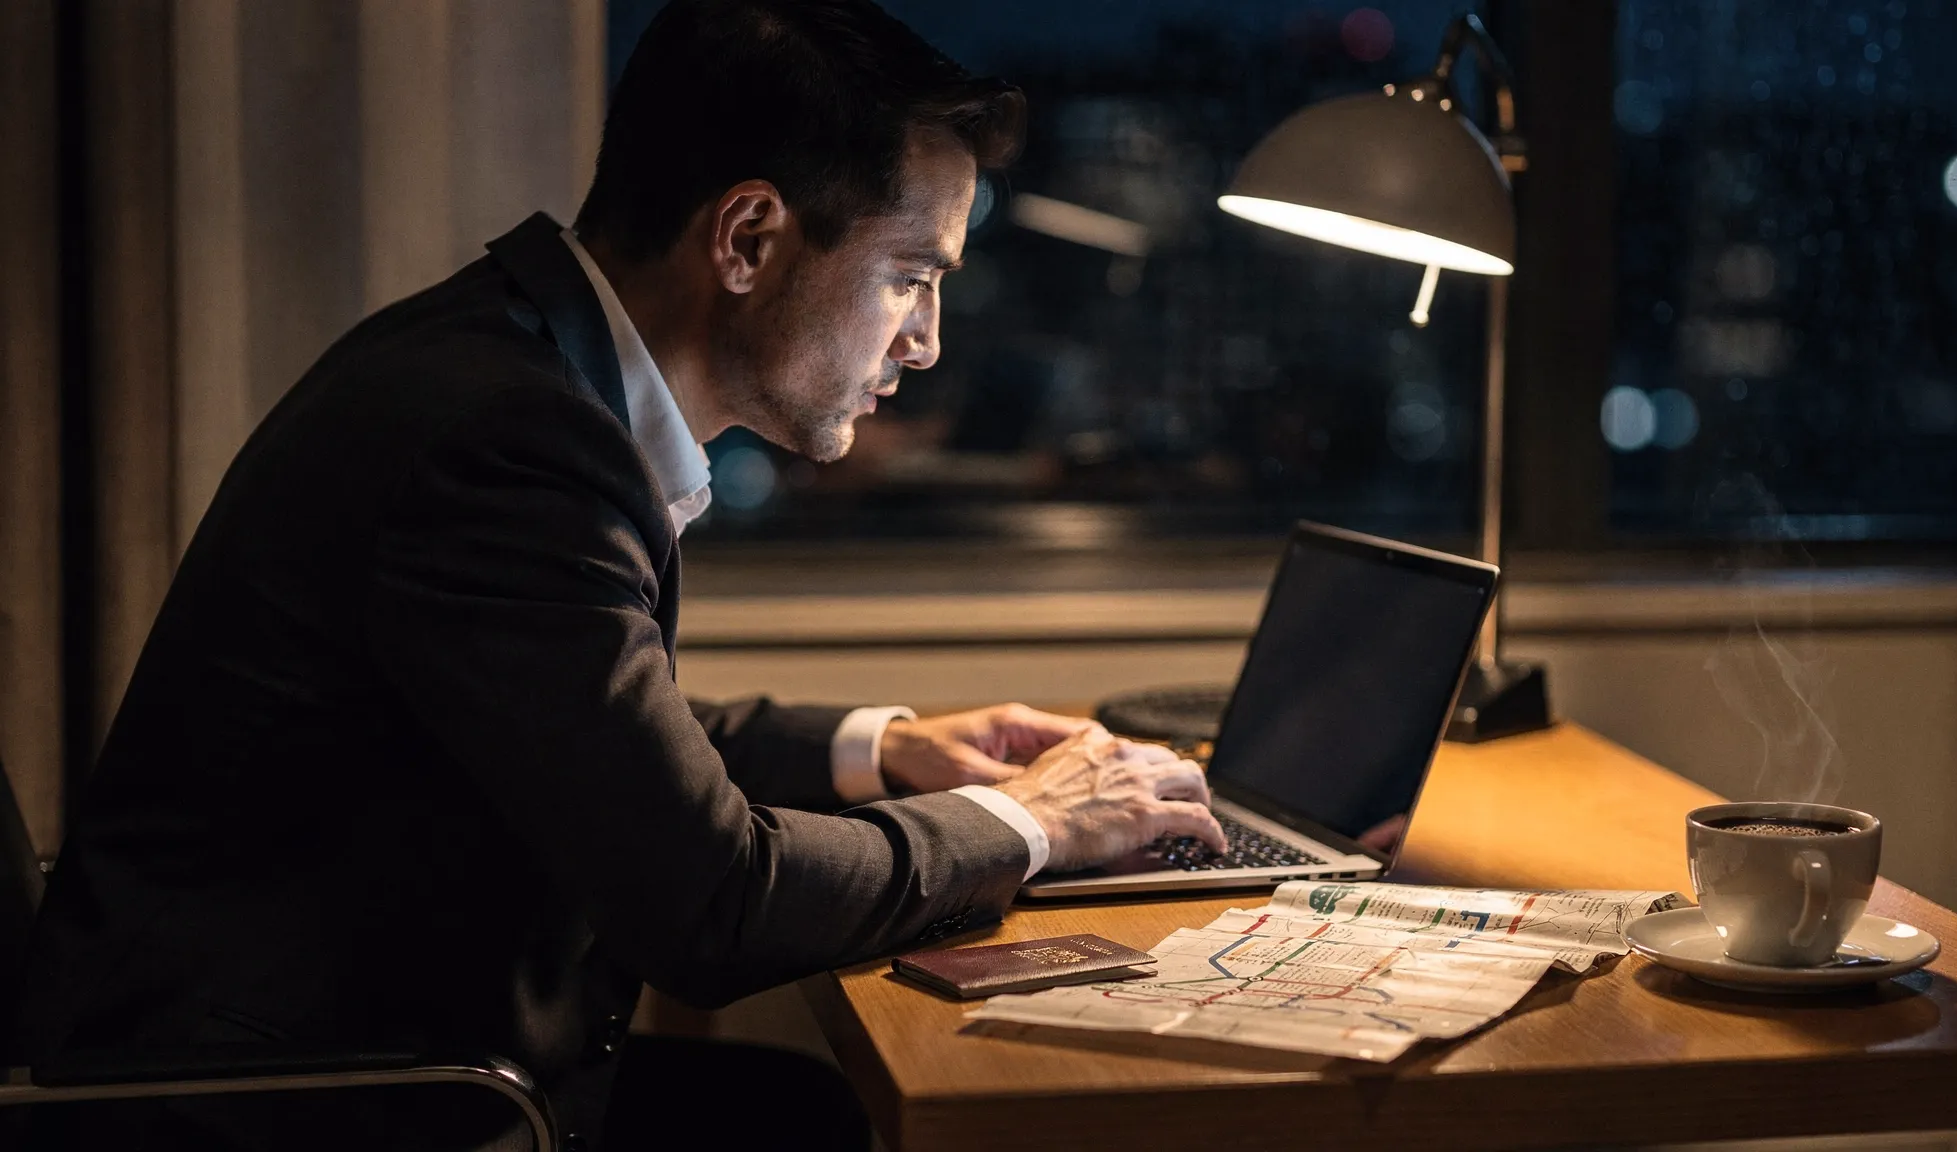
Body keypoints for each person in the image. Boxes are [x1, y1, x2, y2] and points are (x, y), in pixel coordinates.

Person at [14, 1, 1226, 1149]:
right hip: (293, 1103)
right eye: (912, 276)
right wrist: (1033, 823)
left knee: (797, 1113)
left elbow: (583, 726)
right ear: (747, 237)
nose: (926, 340)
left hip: (345, 1048)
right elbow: (709, 903)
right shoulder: (508, 442)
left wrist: (883, 746)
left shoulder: (507, 367)